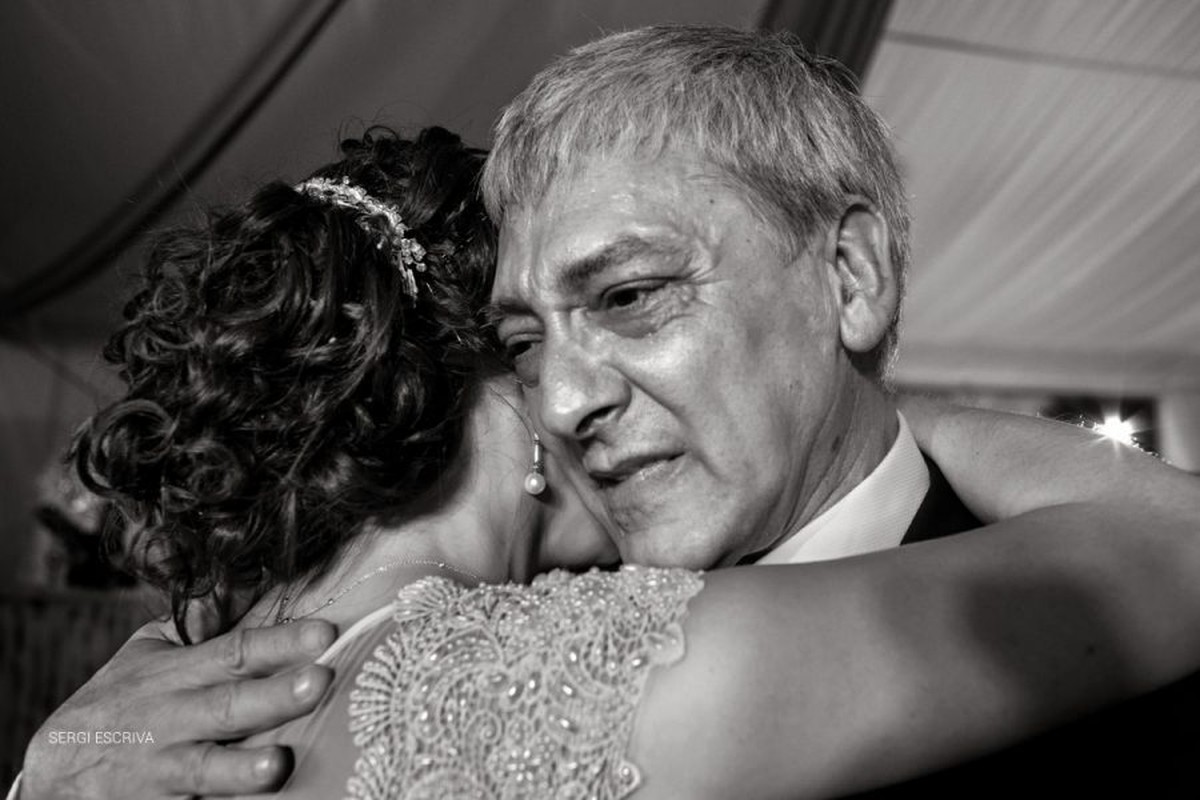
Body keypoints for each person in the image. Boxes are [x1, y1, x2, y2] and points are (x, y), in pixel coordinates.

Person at [16, 122, 1200, 799]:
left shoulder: (142, 729)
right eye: (539, 344)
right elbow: (1176, 545)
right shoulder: (576, 680)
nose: (594, 397)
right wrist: (862, 394)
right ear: (514, 398)